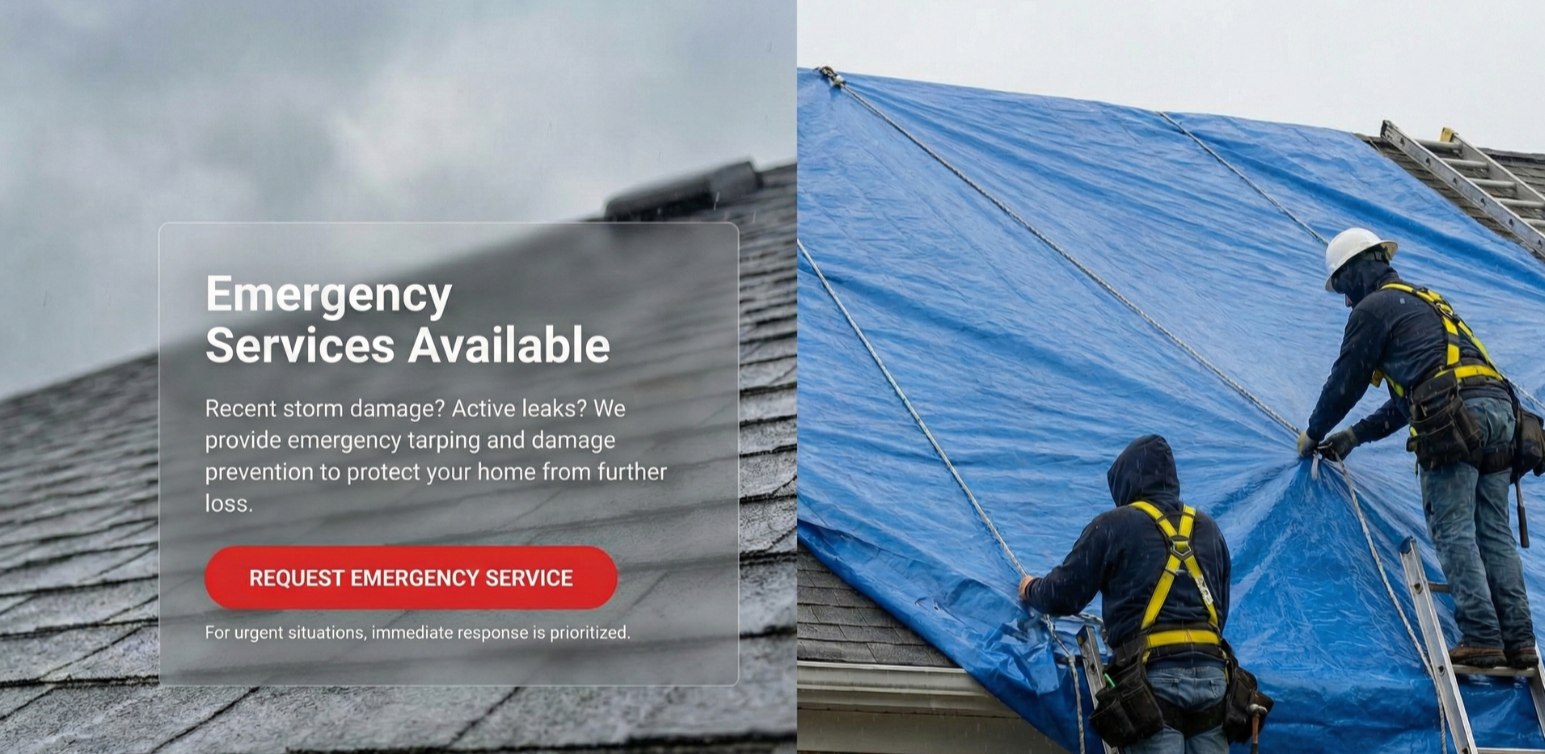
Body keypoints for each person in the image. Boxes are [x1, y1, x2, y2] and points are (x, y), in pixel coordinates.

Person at [1297, 227, 1535, 669]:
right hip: (1502, 415)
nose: (1346, 301)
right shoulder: (1426, 300)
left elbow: (1344, 384)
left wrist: (1313, 433)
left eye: (1343, 288)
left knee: (1453, 529)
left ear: (1354, 272)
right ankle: (1520, 640)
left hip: (1455, 419)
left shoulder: (1373, 308)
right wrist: (1357, 435)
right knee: (1494, 534)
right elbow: (1417, 394)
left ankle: (1482, 636)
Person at [1020, 434, 1232, 754]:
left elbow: (1063, 595)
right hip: (1214, 681)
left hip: (1154, 684)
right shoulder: (1209, 529)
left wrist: (1030, 588)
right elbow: (1220, 612)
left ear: (1126, 483)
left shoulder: (1115, 525)